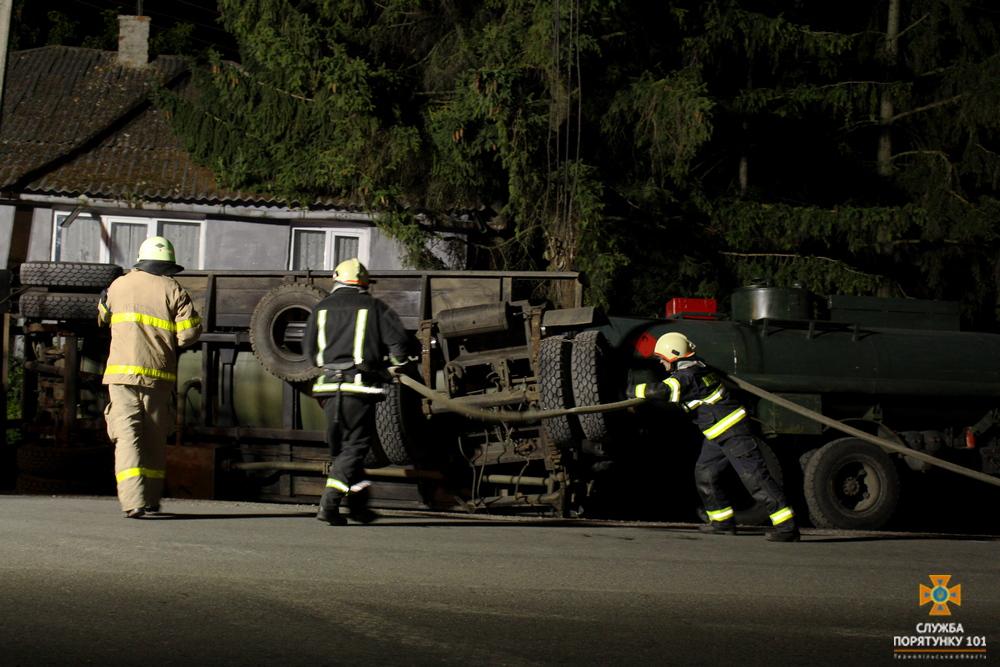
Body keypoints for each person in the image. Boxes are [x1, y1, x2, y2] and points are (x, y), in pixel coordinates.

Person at [627, 332, 800, 542]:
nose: (661, 364)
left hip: (733, 433)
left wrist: (632, 390)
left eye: (662, 359)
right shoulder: (698, 369)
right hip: (717, 435)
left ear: (675, 355)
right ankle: (722, 523)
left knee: (755, 477)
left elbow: (663, 391)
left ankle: (787, 527)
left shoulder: (688, 376)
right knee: (706, 474)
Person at [98, 236, 202, 518]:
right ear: (168, 264)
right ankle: (152, 499)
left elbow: (102, 316)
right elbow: (190, 333)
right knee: (154, 438)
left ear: (141, 260)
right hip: (157, 376)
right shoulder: (173, 289)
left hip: (121, 377)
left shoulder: (118, 285)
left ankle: (133, 502)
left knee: (128, 437)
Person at [303, 258, 410, 526]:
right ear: (363, 283)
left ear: (336, 280)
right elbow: (399, 346)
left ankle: (358, 508)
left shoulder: (320, 309)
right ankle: (328, 504)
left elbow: (309, 353)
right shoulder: (374, 307)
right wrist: (394, 367)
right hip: (357, 387)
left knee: (344, 452)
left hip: (327, 389)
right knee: (355, 447)